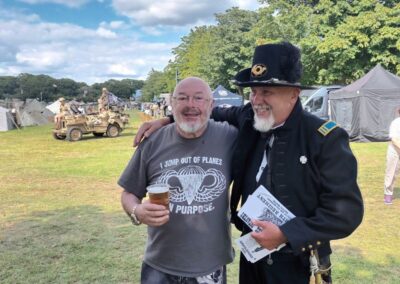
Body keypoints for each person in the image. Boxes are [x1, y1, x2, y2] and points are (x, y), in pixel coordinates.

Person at [134, 42, 364, 284]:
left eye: (267, 92)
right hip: (253, 260)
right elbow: (211, 110)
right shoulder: (250, 118)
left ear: (294, 94)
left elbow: (345, 214)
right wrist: (168, 119)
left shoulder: (323, 138)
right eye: (253, 91)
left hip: (299, 266)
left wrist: (286, 234)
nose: (257, 100)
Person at [119, 77, 238, 284]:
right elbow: (129, 193)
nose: (190, 104)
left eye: (199, 98)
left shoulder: (229, 137)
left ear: (211, 105)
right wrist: (137, 211)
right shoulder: (153, 142)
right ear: (172, 104)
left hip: (209, 265)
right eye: (182, 98)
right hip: (160, 264)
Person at [383, 107, 400, 205]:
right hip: (395, 150)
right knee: (392, 172)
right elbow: (394, 139)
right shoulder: (396, 123)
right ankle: (388, 195)